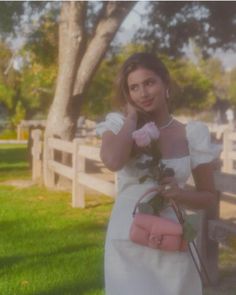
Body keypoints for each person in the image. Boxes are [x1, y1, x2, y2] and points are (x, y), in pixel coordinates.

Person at [96, 52, 221, 295]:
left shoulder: (192, 134)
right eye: (134, 88)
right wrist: (131, 120)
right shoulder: (118, 125)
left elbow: (208, 197)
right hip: (128, 237)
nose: (143, 93)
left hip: (173, 238)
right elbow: (112, 161)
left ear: (166, 83)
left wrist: (180, 194)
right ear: (127, 94)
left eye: (149, 83)